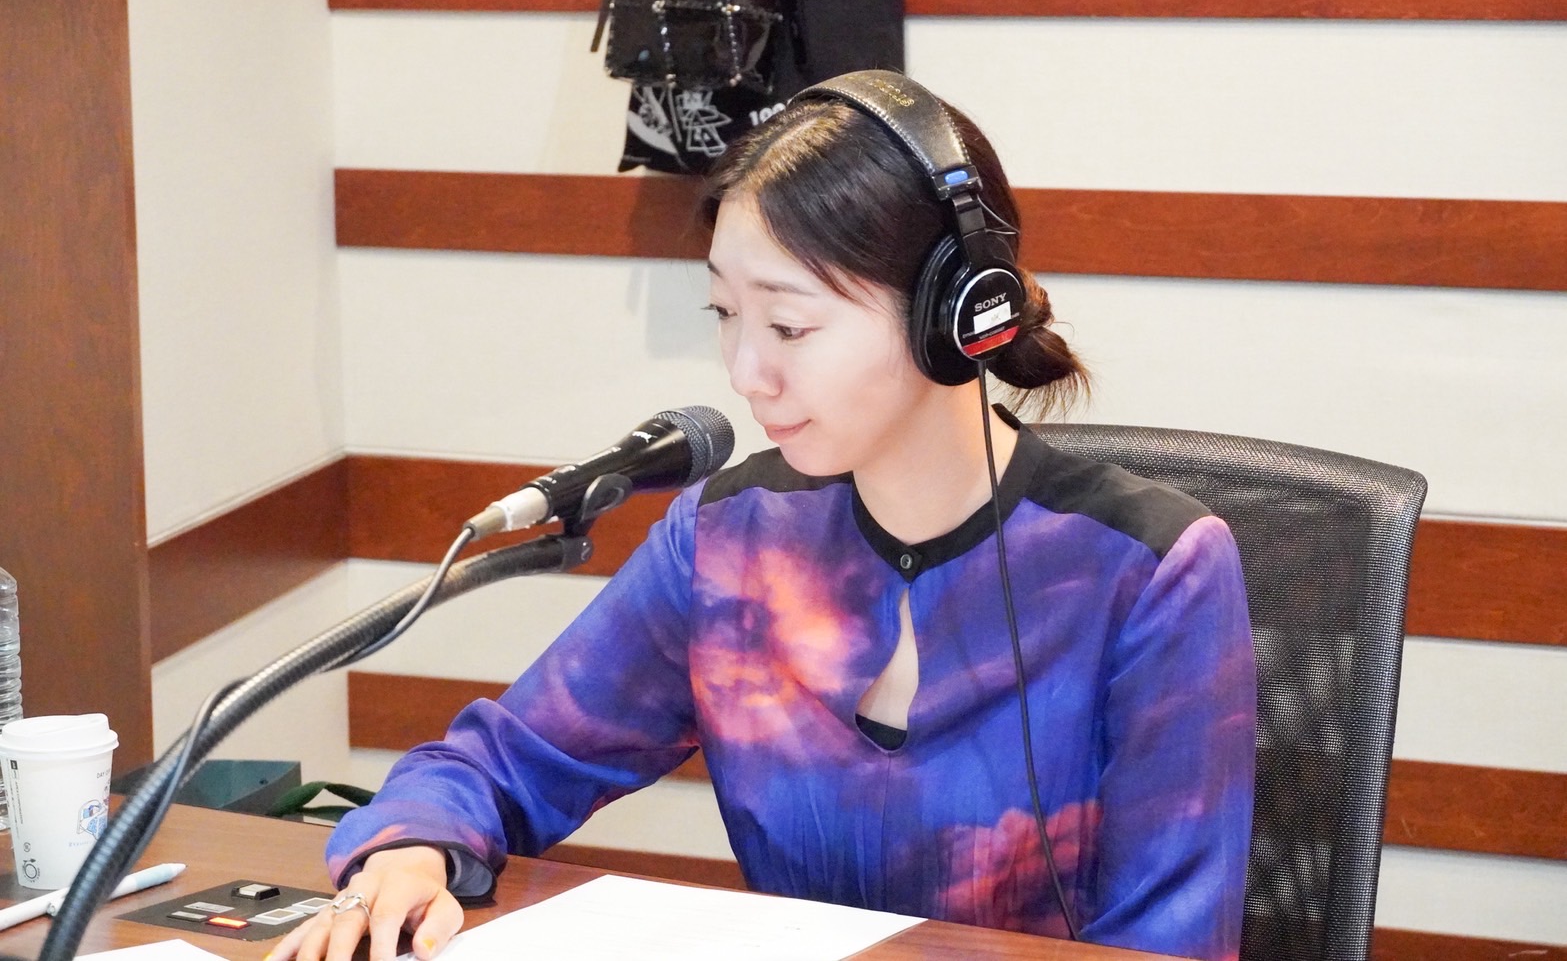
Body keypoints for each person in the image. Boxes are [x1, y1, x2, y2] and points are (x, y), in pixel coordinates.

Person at [270, 71, 1256, 961]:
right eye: (725, 316)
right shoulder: (728, 541)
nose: (746, 373)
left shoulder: (1149, 572)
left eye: (789, 325)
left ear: (950, 316)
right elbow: (503, 762)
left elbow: (1169, 946)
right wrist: (408, 850)